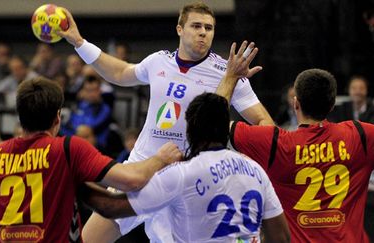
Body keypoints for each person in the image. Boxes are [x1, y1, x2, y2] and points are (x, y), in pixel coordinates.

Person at [58, 2, 272, 241]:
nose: (203, 32)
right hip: (140, 170)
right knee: (87, 239)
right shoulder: (158, 61)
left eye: (209, 28)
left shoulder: (229, 72)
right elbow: (119, 73)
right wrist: (79, 43)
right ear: (179, 29)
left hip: (185, 181)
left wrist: (247, 154)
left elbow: (265, 122)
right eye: (196, 26)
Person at [0, 77, 182, 242]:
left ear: (20, 117)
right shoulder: (66, 148)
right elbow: (131, 180)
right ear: (58, 117)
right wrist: (160, 158)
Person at [81, 93, 290, 243]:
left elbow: (110, 207)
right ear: (227, 129)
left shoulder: (181, 174)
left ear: (190, 130)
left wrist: (73, 178)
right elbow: (281, 237)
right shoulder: (255, 171)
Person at [218, 68, 374, 242]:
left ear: (295, 104)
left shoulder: (276, 144)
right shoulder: (359, 136)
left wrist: (231, 77)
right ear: (332, 104)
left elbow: (212, 121)